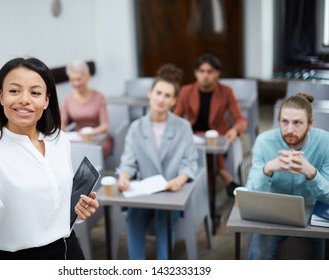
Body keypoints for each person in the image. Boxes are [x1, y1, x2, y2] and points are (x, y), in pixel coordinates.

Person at [0, 57, 99, 260]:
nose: (24, 99)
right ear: (1, 97)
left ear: (46, 100)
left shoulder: (59, 140)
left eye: (35, 93)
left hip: (69, 249)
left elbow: (57, 200)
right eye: (14, 91)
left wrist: (79, 209)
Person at [117, 64, 199, 260]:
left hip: (171, 194)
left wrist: (179, 180)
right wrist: (124, 177)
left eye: (167, 95)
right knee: (133, 217)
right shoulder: (136, 128)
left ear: (174, 101)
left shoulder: (183, 127)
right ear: (150, 93)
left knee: (164, 218)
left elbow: (190, 162)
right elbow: (128, 163)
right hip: (144, 195)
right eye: (158, 93)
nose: (161, 99)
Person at [245, 93, 329, 259]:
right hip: (274, 212)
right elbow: (251, 192)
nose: (290, 129)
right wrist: (267, 169)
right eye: (285, 122)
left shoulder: (325, 141)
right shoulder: (264, 141)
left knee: (320, 259)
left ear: (311, 123)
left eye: (297, 122)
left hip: (313, 211)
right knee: (259, 258)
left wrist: (311, 173)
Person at [173, 53, 247, 196]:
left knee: (209, 151)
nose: (205, 76)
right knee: (205, 152)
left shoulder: (226, 91)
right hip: (193, 136)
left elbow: (240, 119)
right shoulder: (186, 91)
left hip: (217, 137)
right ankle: (226, 178)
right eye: (201, 71)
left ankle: (206, 198)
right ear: (196, 73)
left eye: (210, 71)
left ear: (217, 74)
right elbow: (176, 118)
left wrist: (235, 130)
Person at [60, 60, 113, 157]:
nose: (75, 83)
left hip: (98, 137)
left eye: (79, 79)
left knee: (92, 154)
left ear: (87, 77)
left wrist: (90, 133)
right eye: (72, 80)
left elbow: (104, 126)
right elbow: (62, 123)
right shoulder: (67, 99)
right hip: (78, 138)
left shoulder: (99, 97)